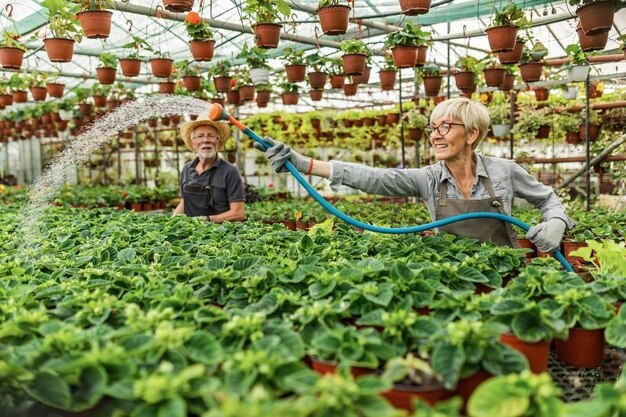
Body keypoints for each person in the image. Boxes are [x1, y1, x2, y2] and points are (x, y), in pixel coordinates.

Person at [256, 97, 574, 251]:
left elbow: (548, 199)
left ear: (473, 134)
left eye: (446, 127)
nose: (435, 135)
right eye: (432, 127)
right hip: (451, 274)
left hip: (504, 271)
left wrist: (556, 224)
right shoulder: (429, 178)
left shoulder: (505, 171)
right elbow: (374, 177)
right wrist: (305, 163)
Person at [174, 114, 245, 222]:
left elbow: (238, 213)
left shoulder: (230, 171)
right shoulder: (187, 169)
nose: (205, 140)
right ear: (193, 143)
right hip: (190, 234)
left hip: (221, 235)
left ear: (218, 142)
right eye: (200, 136)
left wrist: (206, 220)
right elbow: (185, 201)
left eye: (211, 135)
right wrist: (172, 221)